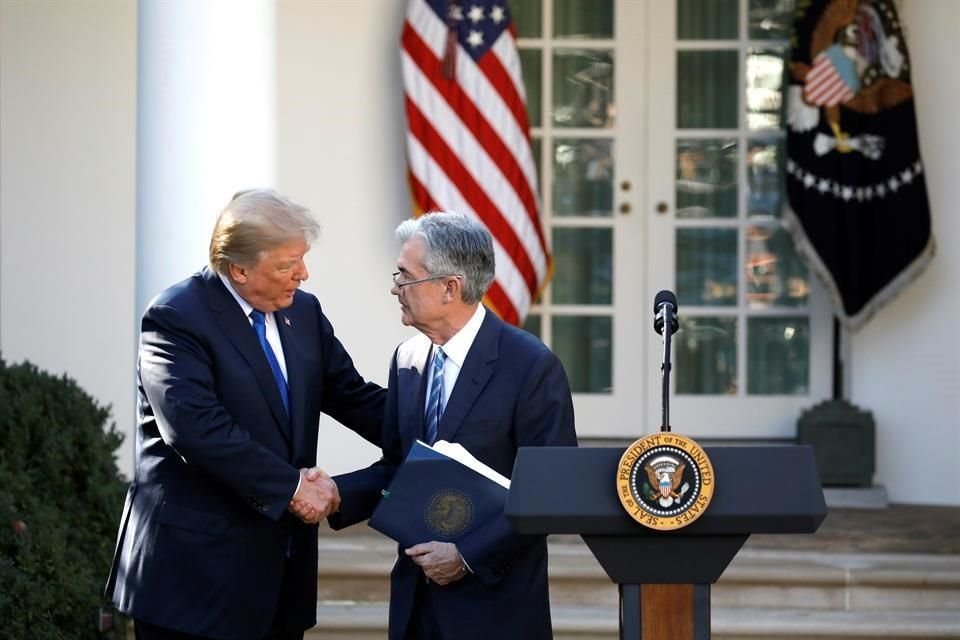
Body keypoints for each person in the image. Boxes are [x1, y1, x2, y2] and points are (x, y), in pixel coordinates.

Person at [105, 189, 386, 640]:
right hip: (192, 580)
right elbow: (196, 430)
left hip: (278, 573)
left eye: (302, 259)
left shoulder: (305, 312)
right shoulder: (177, 315)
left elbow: (351, 395)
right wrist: (294, 487)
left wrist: (433, 423)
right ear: (239, 268)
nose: (303, 274)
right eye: (286, 265)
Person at [317, 211, 577, 640]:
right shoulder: (408, 360)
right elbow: (400, 468)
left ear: (450, 287)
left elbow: (550, 490)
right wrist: (334, 493)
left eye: (405, 276)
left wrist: (467, 555)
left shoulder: (530, 366)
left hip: (495, 606)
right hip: (417, 602)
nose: (394, 287)